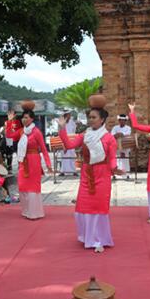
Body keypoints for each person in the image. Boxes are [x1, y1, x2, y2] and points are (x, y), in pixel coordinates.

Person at [58, 96, 123, 253]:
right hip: (87, 175)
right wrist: (62, 128)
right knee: (83, 207)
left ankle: (98, 239)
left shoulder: (108, 138)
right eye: (89, 117)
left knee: (98, 208)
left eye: (94, 117)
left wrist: (115, 168)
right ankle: (86, 236)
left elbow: (112, 157)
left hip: (102, 175)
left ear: (102, 120)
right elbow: (68, 144)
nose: (90, 120)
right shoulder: (84, 135)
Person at [6, 109, 53, 220]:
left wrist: (48, 164)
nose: (24, 119)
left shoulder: (36, 132)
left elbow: (44, 149)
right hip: (23, 161)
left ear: (32, 119)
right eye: (23, 117)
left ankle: (35, 213)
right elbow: (9, 135)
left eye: (26, 117)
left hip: (34, 161)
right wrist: (9, 122)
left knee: (33, 187)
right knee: (22, 186)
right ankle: (26, 211)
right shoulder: (22, 131)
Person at [110, 114, 132, 179]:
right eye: (120, 120)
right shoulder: (115, 127)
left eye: (123, 120)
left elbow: (127, 135)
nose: (122, 121)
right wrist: (117, 135)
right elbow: (112, 135)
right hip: (116, 146)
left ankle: (126, 173)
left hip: (125, 145)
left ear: (125, 121)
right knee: (117, 159)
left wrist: (121, 134)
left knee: (125, 159)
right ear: (119, 121)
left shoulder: (128, 128)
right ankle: (116, 174)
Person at [59, 111, 78, 176]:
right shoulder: (61, 122)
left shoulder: (72, 122)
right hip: (63, 141)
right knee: (64, 156)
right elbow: (59, 132)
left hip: (71, 141)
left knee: (72, 156)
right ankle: (63, 171)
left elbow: (74, 131)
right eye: (68, 115)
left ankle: (73, 171)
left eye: (69, 115)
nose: (69, 116)